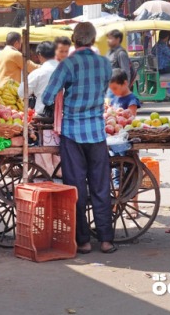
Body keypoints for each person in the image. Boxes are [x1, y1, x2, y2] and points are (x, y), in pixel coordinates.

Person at [41, 22, 115, 254]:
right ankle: (105, 240)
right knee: (101, 187)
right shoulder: (105, 63)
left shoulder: (68, 64)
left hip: (72, 133)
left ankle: (82, 241)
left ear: (74, 40)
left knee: (76, 188)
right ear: (93, 40)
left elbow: (47, 95)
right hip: (96, 131)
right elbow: (104, 90)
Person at [18, 41, 57, 116]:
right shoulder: (66, 70)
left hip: (42, 117)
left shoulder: (38, 73)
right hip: (64, 116)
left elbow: (21, 92)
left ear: (39, 55)